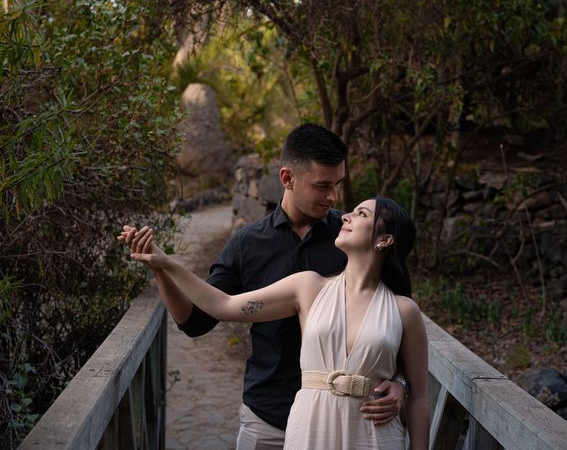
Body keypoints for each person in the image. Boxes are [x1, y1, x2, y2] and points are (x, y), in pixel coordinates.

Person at [128, 124, 408, 449]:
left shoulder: (354, 240)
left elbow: (390, 321)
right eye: (322, 186)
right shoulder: (247, 245)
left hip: (341, 424)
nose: (333, 197)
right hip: (266, 420)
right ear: (287, 178)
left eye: (337, 184)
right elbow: (194, 322)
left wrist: (401, 382)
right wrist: (160, 268)